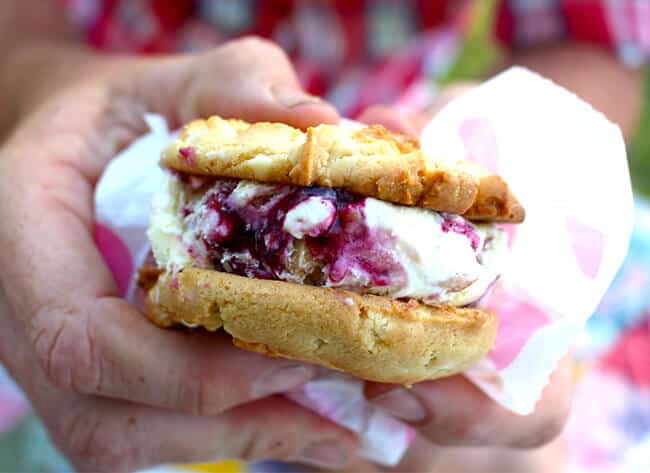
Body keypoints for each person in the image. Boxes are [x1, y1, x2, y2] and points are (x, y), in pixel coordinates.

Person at [0, 1, 645, 471]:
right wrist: (36, 82)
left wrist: (507, 133)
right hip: (73, 175)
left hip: (407, 143)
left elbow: (591, 36)